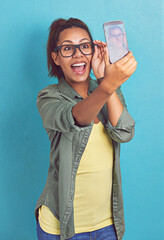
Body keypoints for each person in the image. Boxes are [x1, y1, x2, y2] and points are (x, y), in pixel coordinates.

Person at [35, 18, 137, 240]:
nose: (78, 54)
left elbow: (124, 132)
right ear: (56, 57)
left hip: (107, 224)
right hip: (63, 227)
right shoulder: (49, 97)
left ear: (93, 51)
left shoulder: (103, 87)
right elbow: (76, 119)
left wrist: (102, 79)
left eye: (84, 46)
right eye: (68, 48)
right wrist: (109, 84)